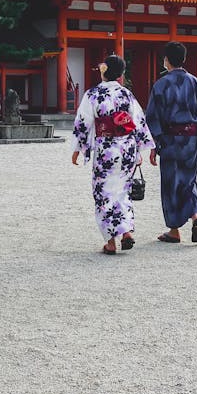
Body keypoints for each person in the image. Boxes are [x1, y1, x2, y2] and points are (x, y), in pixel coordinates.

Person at [71, 55, 155, 255]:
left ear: (104, 70)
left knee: (103, 193)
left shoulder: (93, 94)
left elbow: (83, 123)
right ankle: (126, 233)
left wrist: (78, 149)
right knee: (123, 190)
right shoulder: (127, 94)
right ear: (121, 74)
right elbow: (139, 121)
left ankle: (110, 241)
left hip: (106, 148)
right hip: (127, 147)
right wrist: (142, 147)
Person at [146, 41, 197, 244]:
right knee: (189, 179)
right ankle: (195, 217)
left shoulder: (161, 84)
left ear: (166, 61)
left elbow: (153, 116)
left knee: (171, 182)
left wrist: (154, 144)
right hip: (191, 139)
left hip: (170, 139)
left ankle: (174, 230)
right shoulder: (196, 82)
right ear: (183, 59)